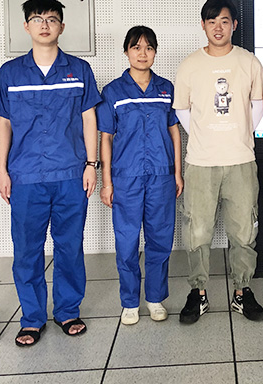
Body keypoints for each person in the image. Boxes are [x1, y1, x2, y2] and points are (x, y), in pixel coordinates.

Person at [0, 0, 101, 347]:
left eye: (51, 18)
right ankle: (32, 318)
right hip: (26, 176)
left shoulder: (79, 70)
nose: (45, 24)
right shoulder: (10, 73)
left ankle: (67, 311)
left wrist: (92, 164)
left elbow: (89, 119)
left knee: (69, 247)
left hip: (70, 174)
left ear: (62, 26)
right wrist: (2, 170)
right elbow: (4, 124)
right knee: (27, 250)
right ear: (26, 26)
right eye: (37, 19)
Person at [173, 0, 263, 323]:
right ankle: (198, 293)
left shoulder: (249, 62)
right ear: (203, 25)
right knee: (197, 231)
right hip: (201, 162)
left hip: (240, 159)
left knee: (243, 231)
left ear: (234, 25)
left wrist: (237, 133)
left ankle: (242, 291)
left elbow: (257, 106)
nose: (218, 27)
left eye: (224, 21)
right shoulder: (189, 65)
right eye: (211, 21)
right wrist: (205, 135)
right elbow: (182, 110)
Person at [97, 26, 183, 326]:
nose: (142, 53)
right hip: (126, 178)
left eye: (148, 47)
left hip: (161, 176)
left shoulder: (166, 88)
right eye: (136, 47)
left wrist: (178, 173)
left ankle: (155, 299)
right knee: (127, 242)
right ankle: (130, 302)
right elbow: (106, 138)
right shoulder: (113, 92)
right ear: (126, 52)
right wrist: (106, 182)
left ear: (155, 52)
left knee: (160, 239)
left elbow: (174, 131)